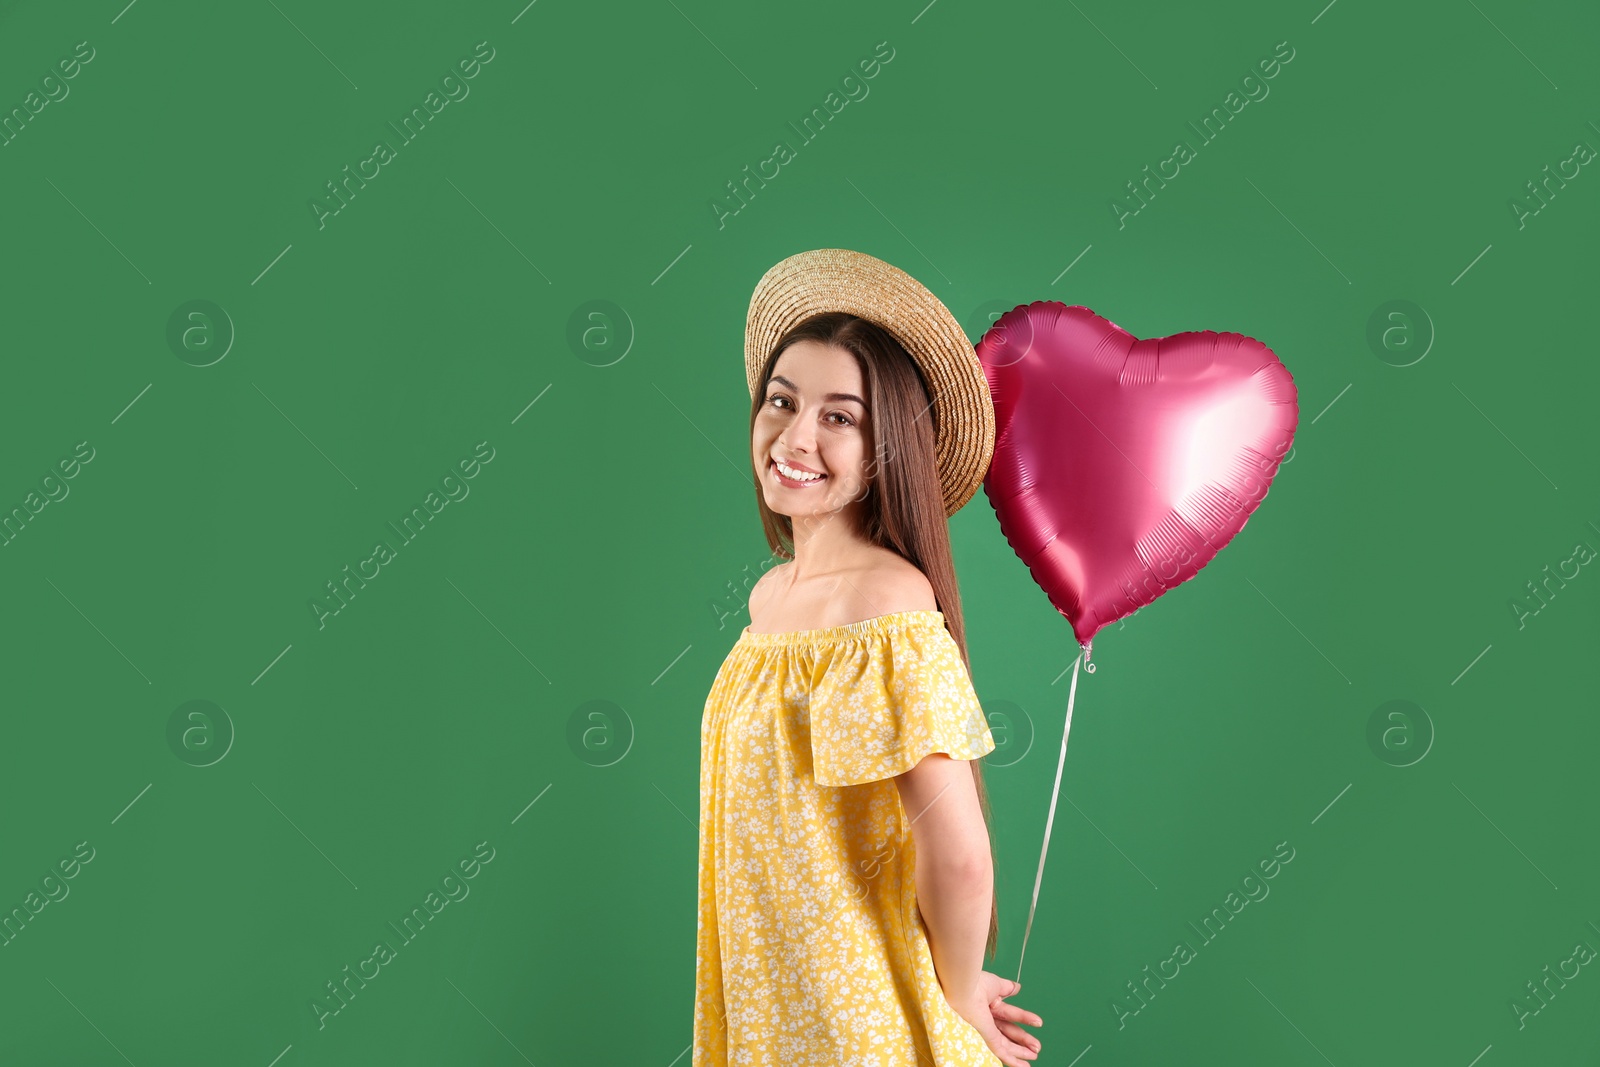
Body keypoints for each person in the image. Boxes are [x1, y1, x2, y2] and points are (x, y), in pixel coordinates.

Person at [694, 249, 1044, 1066]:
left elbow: (954, 846)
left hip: (854, 1030)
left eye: (839, 417)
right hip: (772, 1010)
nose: (795, 435)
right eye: (781, 401)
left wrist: (958, 994)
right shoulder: (768, 600)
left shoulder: (885, 606)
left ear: (887, 442)